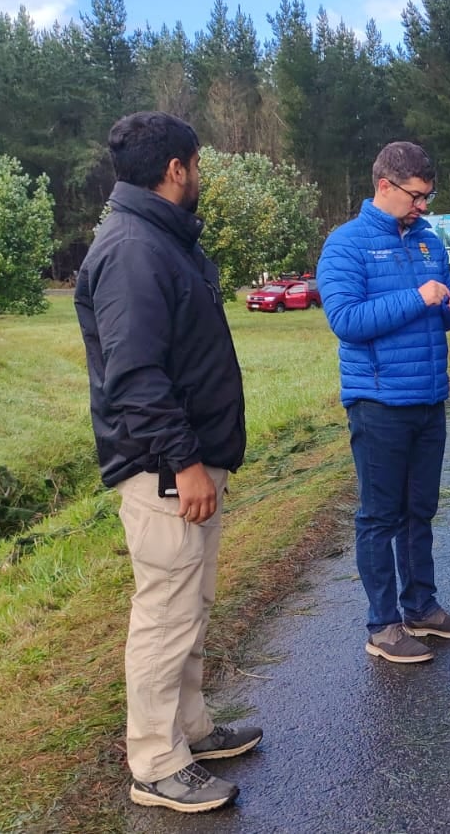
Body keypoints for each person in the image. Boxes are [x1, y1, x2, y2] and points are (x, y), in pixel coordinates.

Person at [75, 111, 261, 813]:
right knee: (164, 612)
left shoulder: (161, 238)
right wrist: (182, 462)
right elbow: (136, 378)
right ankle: (155, 762)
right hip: (164, 469)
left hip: (188, 462)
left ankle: (190, 728)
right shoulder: (132, 250)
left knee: (191, 603)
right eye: (198, 164)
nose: (202, 174)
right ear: (176, 168)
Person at [317, 141, 450, 664]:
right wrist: (419, 297)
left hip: (429, 397)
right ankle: (383, 625)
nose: (424, 207)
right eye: (416, 196)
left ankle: (422, 608)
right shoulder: (346, 245)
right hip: (379, 402)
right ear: (384, 186)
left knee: (420, 510)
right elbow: (345, 321)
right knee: (379, 515)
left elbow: (439, 316)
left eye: (428, 197)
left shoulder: (430, 242)